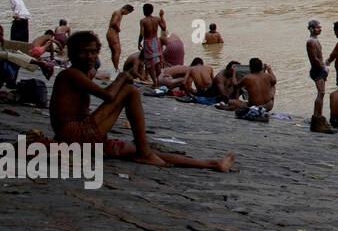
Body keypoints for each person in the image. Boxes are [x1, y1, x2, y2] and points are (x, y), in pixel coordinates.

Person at [48, 31, 234, 171]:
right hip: (73, 134)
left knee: (141, 150)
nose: (90, 57)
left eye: (93, 52)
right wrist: (122, 77)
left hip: (80, 135)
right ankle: (145, 154)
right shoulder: (69, 74)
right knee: (130, 91)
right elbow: (108, 96)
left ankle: (212, 164)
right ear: (72, 54)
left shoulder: (83, 73)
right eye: (84, 52)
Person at [306, 20, 331, 132]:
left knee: (321, 93)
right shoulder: (311, 42)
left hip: (320, 69)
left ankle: (318, 116)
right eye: (317, 27)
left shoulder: (315, 40)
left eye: (320, 27)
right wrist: (324, 68)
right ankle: (317, 117)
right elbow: (314, 59)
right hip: (317, 71)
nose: (320, 29)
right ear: (311, 29)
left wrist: (325, 66)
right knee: (321, 93)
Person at [136, 3, 166, 87]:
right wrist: (162, 16)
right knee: (157, 63)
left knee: (150, 64)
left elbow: (141, 34)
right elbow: (164, 28)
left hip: (148, 42)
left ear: (144, 11)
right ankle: (159, 82)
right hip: (156, 41)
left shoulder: (143, 21)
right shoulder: (157, 19)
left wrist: (139, 43)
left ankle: (154, 82)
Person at [106, 4, 134, 71]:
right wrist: (118, 29)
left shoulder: (119, 13)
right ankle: (116, 68)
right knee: (117, 51)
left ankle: (115, 68)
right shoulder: (117, 13)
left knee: (114, 51)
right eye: (128, 13)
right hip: (112, 33)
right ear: (125, 10)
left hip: (113, 33)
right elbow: (113, 23)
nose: (127, 14)